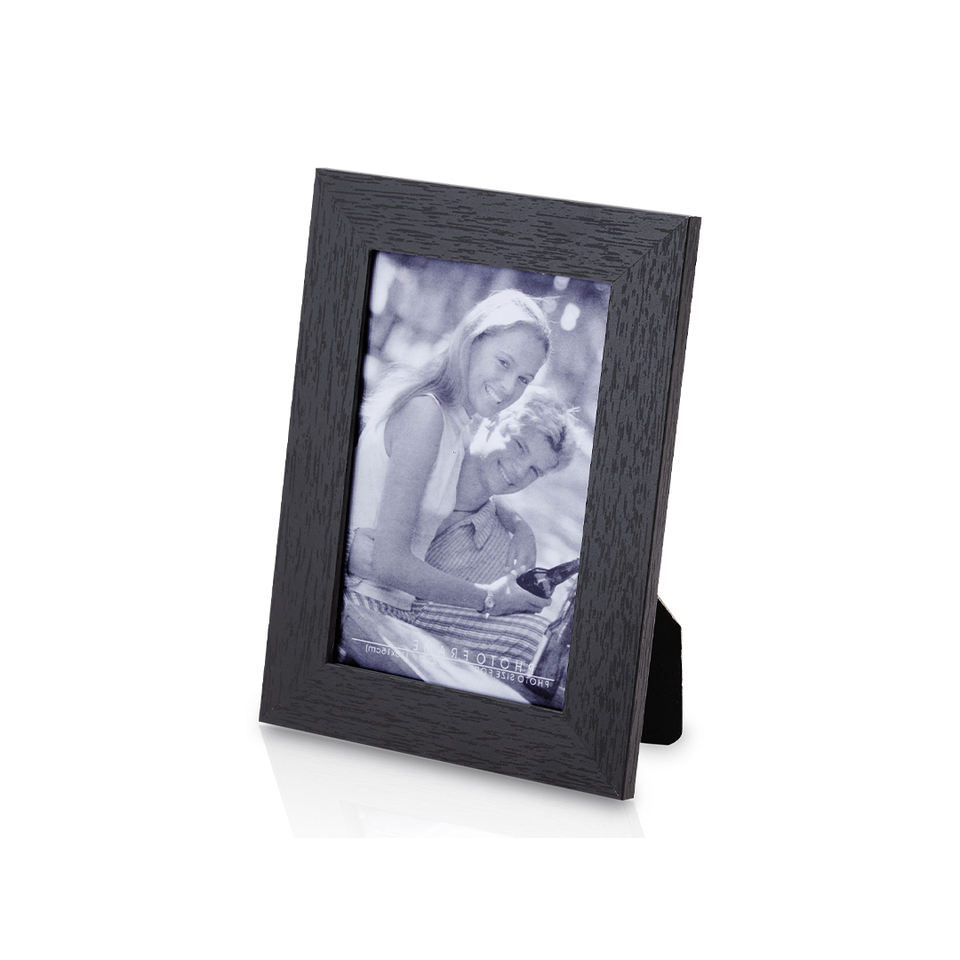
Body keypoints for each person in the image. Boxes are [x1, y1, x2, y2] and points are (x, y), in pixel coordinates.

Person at [346, 387, 582, 704]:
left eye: (534, 470)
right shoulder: (415, 455)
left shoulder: (505, 555)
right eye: (519, 445)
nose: (518, 471)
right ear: (492, 419)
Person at [342, 289, 555, 626]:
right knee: (527, 637)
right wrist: (489, 599)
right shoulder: (426, 415)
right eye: (503, 363)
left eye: (523, 379)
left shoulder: (458, 427)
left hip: (393, 607)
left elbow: (472, 484)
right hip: (361, 603)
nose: (508, 388)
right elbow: (388, 563)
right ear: (472, 341)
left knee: (533, 634)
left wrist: (520, 527)